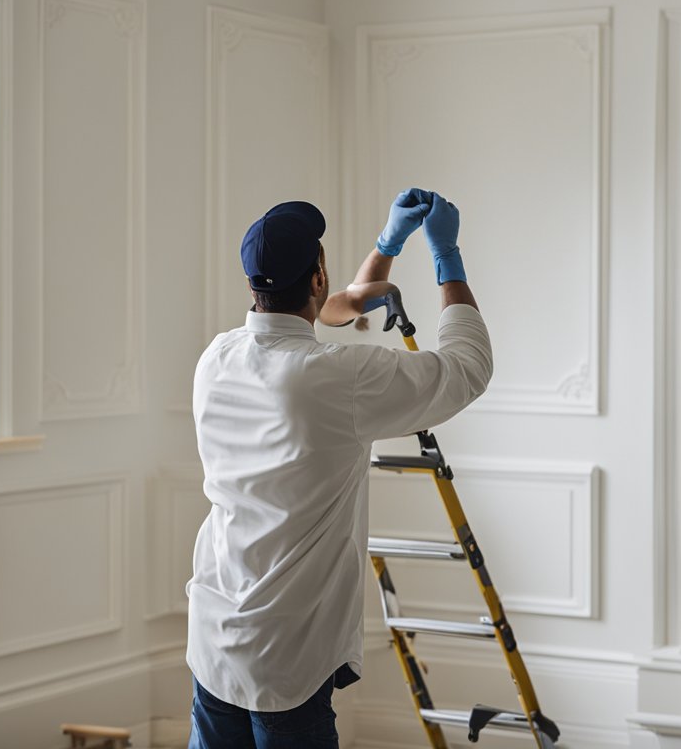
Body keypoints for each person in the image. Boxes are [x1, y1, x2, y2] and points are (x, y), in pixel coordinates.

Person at [185, 189, 493, 748]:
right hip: (286, 657)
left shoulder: (218, 357)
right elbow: (467, 369)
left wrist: (387, 246)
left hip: (214, 637)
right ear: (317, 276)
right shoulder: (338, 379)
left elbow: (311, 317)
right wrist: (446, 256)